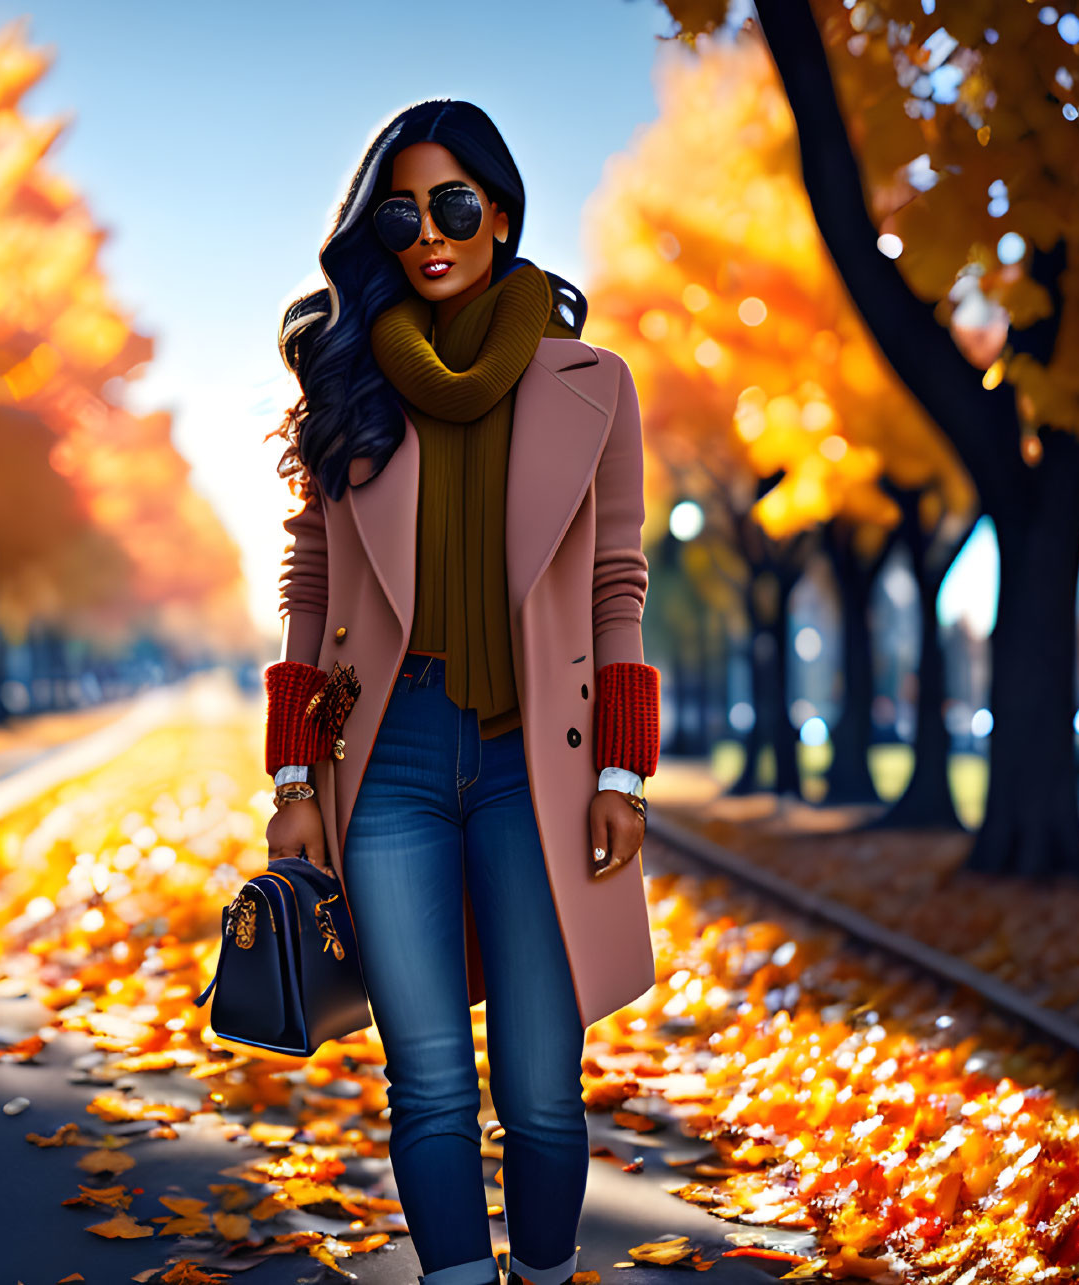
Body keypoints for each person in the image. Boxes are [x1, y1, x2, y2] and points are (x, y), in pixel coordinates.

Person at [261, 99, 660, 1285]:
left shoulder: (593, 382)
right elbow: (312, 587)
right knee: (427, 1078)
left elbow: (617, 582)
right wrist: (292, 776)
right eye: (402, 212)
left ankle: (539, 1273)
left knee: (541, 1088)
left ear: (500, 212)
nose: (429, 234)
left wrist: (622, 770)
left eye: (453, 206)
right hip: (388, 761)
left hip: (537, 757)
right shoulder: (349, 378)